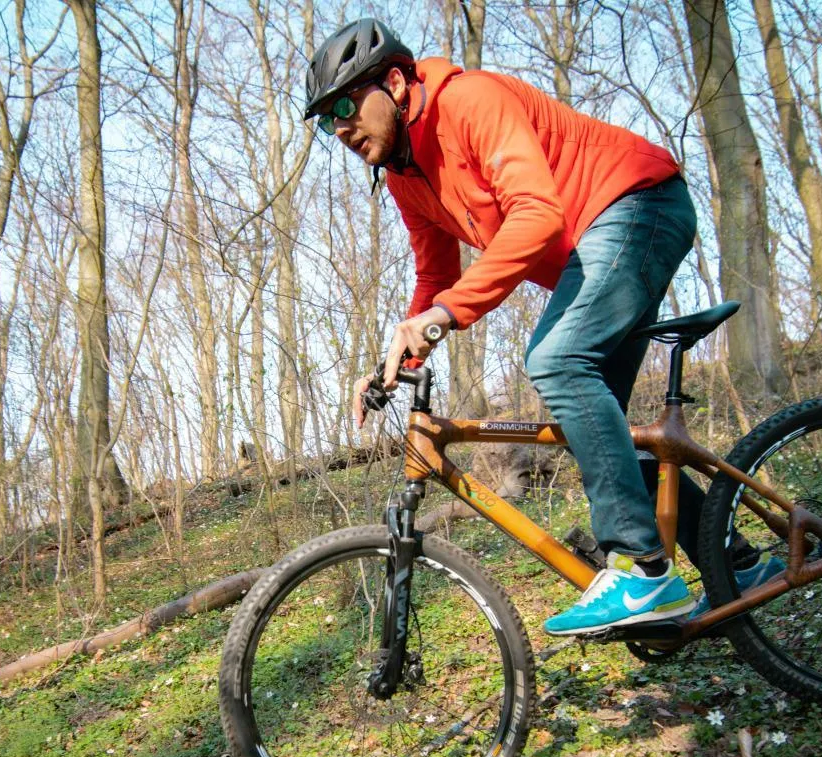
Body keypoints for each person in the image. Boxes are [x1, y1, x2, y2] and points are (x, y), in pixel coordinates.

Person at [308, 18, 780, 635]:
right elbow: (436, 276)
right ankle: (738, 567)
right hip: (595, 247)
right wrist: (401, 357)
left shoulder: (468, 101)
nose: (341, 127)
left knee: (556, 360)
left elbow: (536, 215)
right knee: (600, 433)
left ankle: (641, 569)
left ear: (395, 83)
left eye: (346, 106)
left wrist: (444, 317)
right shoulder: (405, 176)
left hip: (637, 203)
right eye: (328, 121)